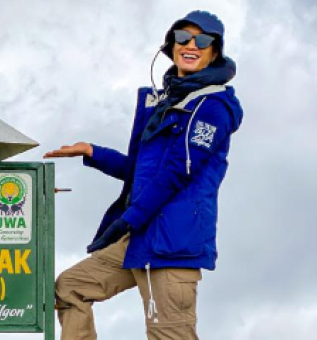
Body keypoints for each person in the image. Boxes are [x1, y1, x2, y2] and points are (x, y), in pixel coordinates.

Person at [45, 10, 244, 340]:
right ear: (170, 46)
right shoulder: (165, 102)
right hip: (140, 238)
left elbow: (177, 172)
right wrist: (94, 153)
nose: (191, 45)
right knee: (70, 288)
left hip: (171, 246)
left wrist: (128, 220)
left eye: (203, 40)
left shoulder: (212, 106)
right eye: (183, 38)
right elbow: (141, 174)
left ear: (214, 51)